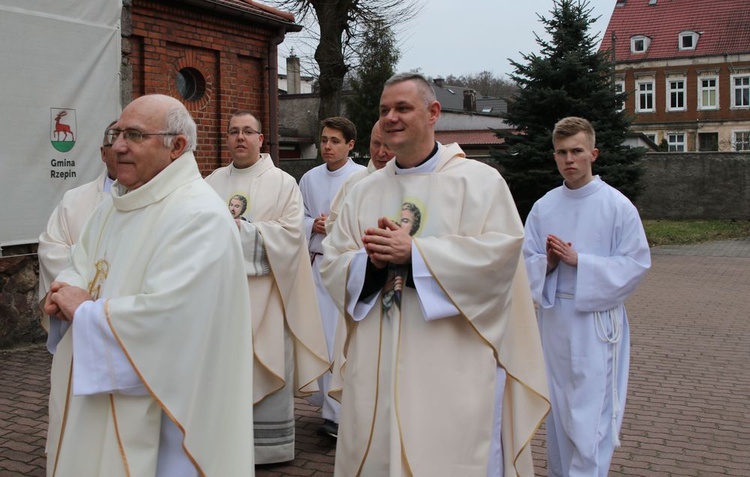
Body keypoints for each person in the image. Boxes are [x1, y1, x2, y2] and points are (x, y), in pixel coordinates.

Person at [320, 72, 550, 476]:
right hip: (377, 363)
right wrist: (369, 264)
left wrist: (418, 255)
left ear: (434, 113)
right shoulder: (363, 190)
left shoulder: (477, 182)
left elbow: (500, 259)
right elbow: (332, 263)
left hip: (449, 364)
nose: (391, 117)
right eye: (384, 110)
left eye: (403, 108)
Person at [42, 94, 255, 476]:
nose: (118, 146)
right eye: (116, 133)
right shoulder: (114, 205)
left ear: (177, 146)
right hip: (94, 393)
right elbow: (80, 265)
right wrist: (65, 291)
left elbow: (172, 324)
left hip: (163, 419)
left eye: (135, 135)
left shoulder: (198, 216)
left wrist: (85, 312)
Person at [522, 116, 651, 477]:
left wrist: (582, 262)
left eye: (577, 151)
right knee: (560, 410)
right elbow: (523, 261)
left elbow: (637, 263)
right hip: (554, 319)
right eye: (562, 152)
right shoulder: (544, 206)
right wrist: (545, 264)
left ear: (593, 153)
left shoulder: (617, 206)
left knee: (590, 415)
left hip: (596, 322)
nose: (570, 159)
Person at [205, 110, 329, 464]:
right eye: (233, 132)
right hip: (222, 298)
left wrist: (239, 230)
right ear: (226, 139)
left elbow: (291, 236)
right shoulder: (210, 182)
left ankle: (267, 450)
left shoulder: (281, 182)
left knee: (266, 362)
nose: (240, 138)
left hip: (268, 300)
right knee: (224, 374)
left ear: (261, 139)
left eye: (248, 131)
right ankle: (225, 445)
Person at [299, 116, 366, 438]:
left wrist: (335, 227)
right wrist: (312, 225)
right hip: (317, 266)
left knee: (343, 342)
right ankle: (329, 411)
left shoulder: (361, 178)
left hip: (348, 268)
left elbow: (364, 222)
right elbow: (296, 216)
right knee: (322, 340)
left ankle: (345, 412)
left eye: (335, 141)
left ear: (350, 145)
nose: (327, 146)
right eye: (324, 139)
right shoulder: (309, 178)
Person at [38, 120, 117, 352]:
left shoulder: (152, 200)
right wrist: (80, 281)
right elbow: (50, 248)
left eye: (133, 139)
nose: (123, 148)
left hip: (121, 317)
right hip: (74, 316)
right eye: (114, 143)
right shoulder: (74, 199)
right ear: (103, 153)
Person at [325, 120, 395, 233]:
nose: (381, 152)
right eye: (376, 144)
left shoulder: (414, 181)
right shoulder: (355, 182)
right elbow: (333, 225)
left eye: (388, 145)